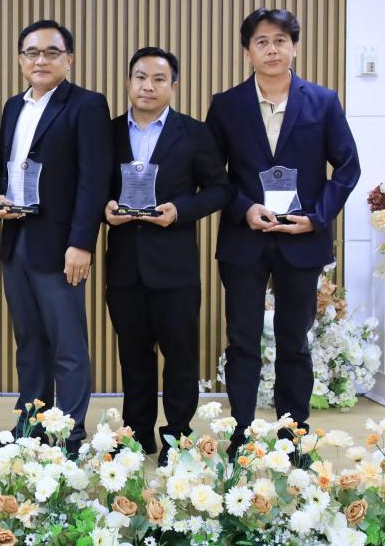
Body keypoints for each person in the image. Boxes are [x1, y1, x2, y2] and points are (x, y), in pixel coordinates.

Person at [205, 8, 360, 456]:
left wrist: (318, 216)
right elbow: (212, 173)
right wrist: (243, 208)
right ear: (247, 51)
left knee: (295, 342)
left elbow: (348, 166)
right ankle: (242, 434)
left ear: (294, 46)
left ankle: (293, 435)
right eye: (261, 42)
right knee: (242, 342)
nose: (271, 49)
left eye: (280, 40)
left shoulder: (323, 101)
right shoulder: (227, 104)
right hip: (245, 240)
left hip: (302, 238)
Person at [0, 19, 112, 453]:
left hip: (61, 246)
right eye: (32, 52)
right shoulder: (12, 107)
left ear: (69, 59)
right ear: (21, 59)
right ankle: (30, 428)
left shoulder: (87, 105)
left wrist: (81, 243)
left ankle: (68, 434)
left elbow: (93, 180)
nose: (41, 60)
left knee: (67, 345)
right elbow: (1, 167)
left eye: (51, 52)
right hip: (16, 240)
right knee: (29, 343)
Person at [103, 47, 232, 465]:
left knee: (180, 357)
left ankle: (177, 435)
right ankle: (137, 434)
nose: (148, 86)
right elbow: (91, 186)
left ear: (173, 86)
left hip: (175, 267)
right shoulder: (107, 132)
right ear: (128, 82)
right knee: (133, 357)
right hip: (125, 264)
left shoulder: (193, 132)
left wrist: (181, 210)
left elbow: (219, 189)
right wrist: (104, 210)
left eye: (159, 79)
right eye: (140, 77)